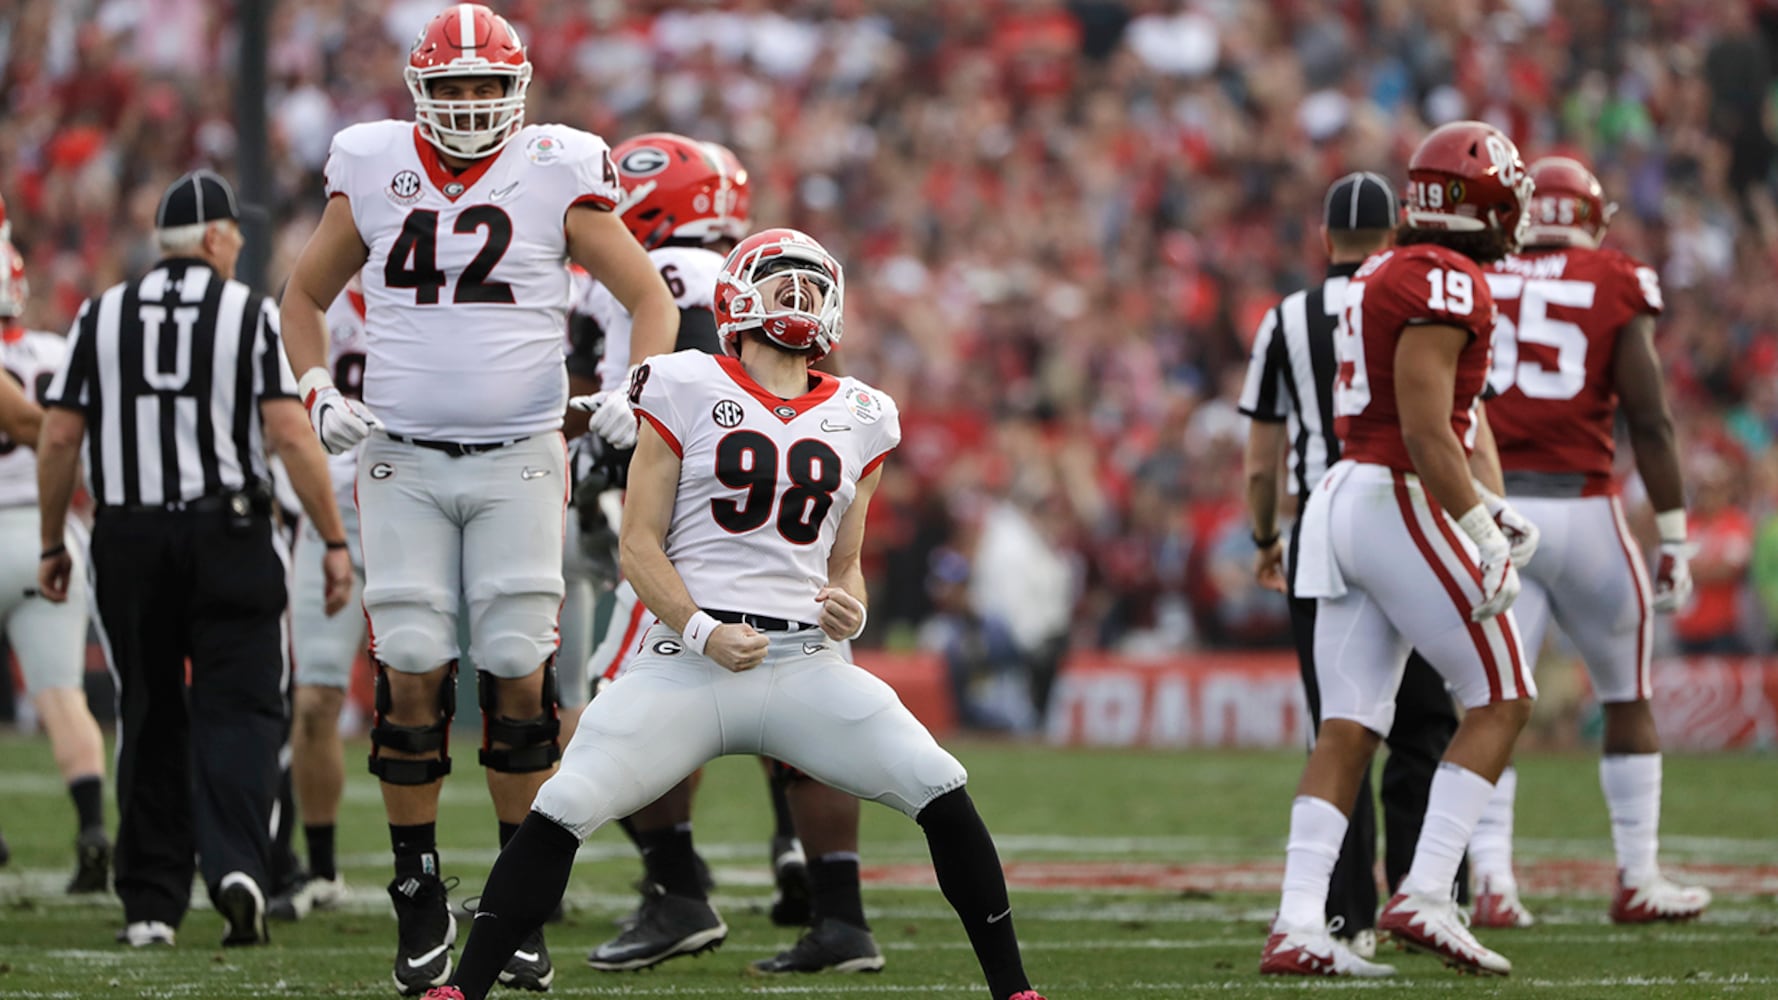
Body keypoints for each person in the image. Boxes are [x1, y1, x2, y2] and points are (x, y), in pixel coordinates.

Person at [414, 227, 1046, 1000]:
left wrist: (852, 606)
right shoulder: (683, 382)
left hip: (805, 663)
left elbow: (844, 563)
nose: (801, 293)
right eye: (784, 278)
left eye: (815, 282)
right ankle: (463, 989)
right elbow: (639, 546)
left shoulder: (863, 412)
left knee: (940, 785)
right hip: (687, 663)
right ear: (739, 296)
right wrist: (701, 627)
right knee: (566, 802)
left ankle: (1015, 990)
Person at [277, 5, 677, 993]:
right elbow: (300, 300)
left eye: (482, 88)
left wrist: (636, 391)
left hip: (519, 458)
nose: (465, 106)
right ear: (418, 91)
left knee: (515, 673)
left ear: (516, 92)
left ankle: (514, 900)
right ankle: (416, 893)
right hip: (401, 457)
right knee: (410, 665)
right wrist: (317, 389)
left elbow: (650, 300)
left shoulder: (556, 164)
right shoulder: (371, 162)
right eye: (448, 88)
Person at [569, 133, 885, 976]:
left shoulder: (661, 277)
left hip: (695, 535)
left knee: (634, 698)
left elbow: (648, 408)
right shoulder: (783, 283)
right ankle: (837, 905)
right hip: (796, 533)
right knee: (815, 707)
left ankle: (676, 891)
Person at [36, 169, 353, 948]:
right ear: (213, 239)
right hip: (230, 534)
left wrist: (53, 540)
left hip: (131, 535)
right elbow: (286, 432)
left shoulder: (102, 314)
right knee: (241, 707)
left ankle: (150, 904)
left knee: (147, 710)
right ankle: (240, 864)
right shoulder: (246, 313)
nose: (240, 244)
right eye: (234, 234)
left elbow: (60, 437)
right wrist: (334, 539)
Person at [1259, 121, 1542, 978]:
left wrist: (1487, 505)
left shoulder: (1388, 267)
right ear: (1469, 198)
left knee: (1348, 725)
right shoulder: (1442, 278)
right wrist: (1481, 525)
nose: (1515, 207)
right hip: (1394, 495)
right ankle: (1424, 892)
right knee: (1504, 693)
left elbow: (1408, 420)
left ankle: (1299, 922)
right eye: (1504, 191)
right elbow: (1424, 427)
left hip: (1347, 496)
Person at [1468, 155, 1712, 926]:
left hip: (1497, 513)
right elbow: (1650, 417)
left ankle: (1493, 884)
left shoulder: (1476, 275)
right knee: (1627, 696)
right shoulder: (1614, 279)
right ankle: (1637, 876)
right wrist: (1674, 534)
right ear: (1593, 220)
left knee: (1490, 704)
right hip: (1587, 511)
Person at [1240, 172, 1464, 958]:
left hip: (1323, 532)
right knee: (1429, 722)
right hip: (1414, 519)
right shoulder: (1419, 293)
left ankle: (1348, 917)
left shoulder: (1288, 317)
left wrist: (1266, 536)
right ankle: (1427, 896)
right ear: (1397, 234)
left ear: (1325, 238)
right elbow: (1454, 420)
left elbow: (1264, 460)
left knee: (1343, 722)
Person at [0, 239, 112, 895]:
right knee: (63, 694)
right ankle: (94, 829)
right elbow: (79, 437)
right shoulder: (55, 351)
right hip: (47, 530)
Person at [270, 276, 369, 922]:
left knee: (431, 689)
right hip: (330, 514)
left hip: (414, 505)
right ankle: (324, 868)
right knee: (313, 700)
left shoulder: (439, 290)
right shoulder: (311, 304)